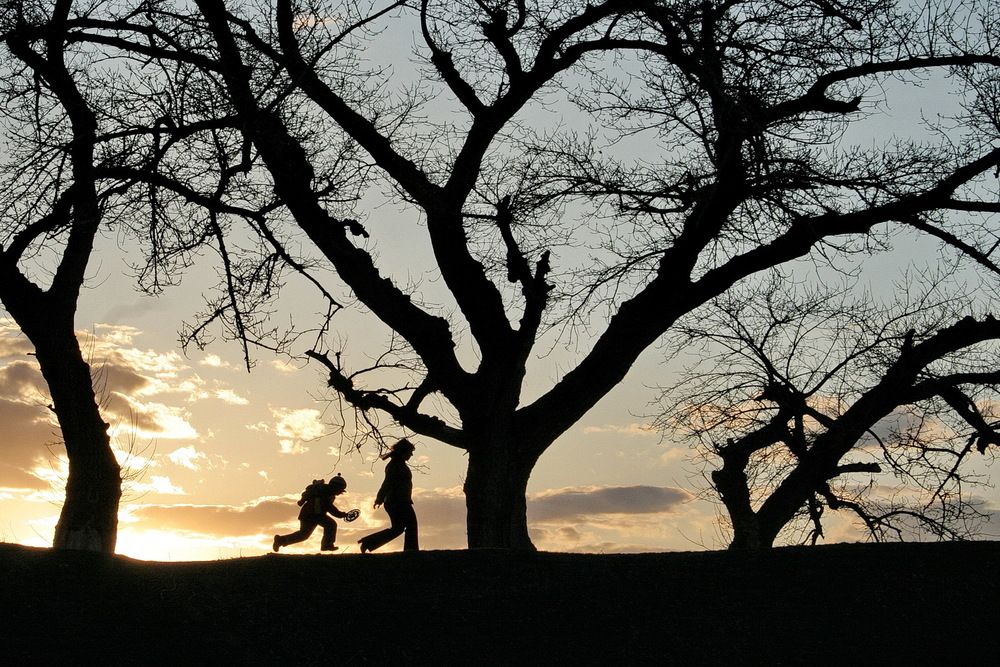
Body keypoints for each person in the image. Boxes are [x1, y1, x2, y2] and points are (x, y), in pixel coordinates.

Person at [358, 439, 419, 552]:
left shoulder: (398, 464)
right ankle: (411, 550)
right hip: (397, 502)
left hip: (400, 501)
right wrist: (379, 498)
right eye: (410, 452)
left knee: (398, 528)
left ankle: (368, 542)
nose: (411, 454)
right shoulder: (395, 465)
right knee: (410, 525)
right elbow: (388, 482)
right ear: (403, 451)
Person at [273, 474, 351, 552]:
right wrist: (342, 514)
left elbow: (328, 507)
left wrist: (341, 514)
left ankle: (280, 540)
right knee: (331, 524)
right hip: (313, 515)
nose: (339, 493)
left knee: (303, 535)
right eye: (340, 490)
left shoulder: (325, 492)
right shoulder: (325, 493)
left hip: (309, 515)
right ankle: (327, 545)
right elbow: (330, 508)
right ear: (335, 487)